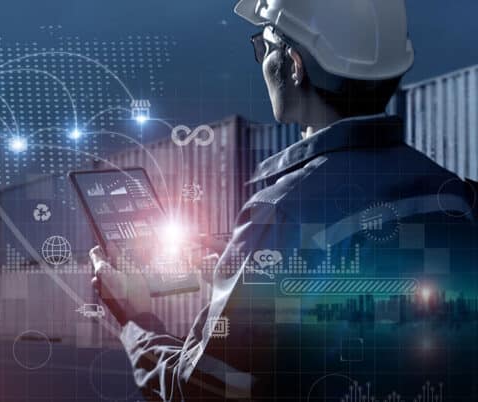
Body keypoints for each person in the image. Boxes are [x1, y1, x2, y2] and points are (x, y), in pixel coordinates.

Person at [90, 0, 478, 400]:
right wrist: (252, 263)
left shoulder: (281, 212)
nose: (263, 59)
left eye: (264, 45)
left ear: (293, 65)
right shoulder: (458, 197)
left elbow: (204, 390)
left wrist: (134, 318)